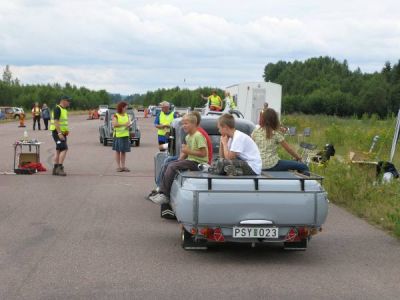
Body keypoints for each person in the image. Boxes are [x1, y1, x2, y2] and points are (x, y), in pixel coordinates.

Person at [149, 113, 209, 204]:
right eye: (183, 124)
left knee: (172, 167)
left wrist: (188, 151)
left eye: (186, 123)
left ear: (193, 124)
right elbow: (185, 152)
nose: (183, 126)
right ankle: (161, 190)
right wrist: (179, 160)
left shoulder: (198, 136)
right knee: (168, 164)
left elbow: (204, 153)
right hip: (191, 160)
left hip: (198, 163)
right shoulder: (188, 136)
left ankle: (165, 195)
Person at [252, 108, 309, 175]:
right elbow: (289, 149)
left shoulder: (256, 131)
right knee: (303, 167)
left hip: (258, 164)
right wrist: (298, 157)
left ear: (262, 119)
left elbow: (249, 146)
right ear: (275, 120)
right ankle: (303, 184)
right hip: (272, 165)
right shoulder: (275, 133)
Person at [50, 96, 72, 176]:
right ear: (63, 101)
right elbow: (56, 122)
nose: (69, 103)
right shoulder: (57, 109)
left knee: (58, 150)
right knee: (64, 148)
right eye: (68, 101)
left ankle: (55, 169)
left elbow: (63, 122)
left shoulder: (64, 110)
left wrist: (65, 131)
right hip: (57, 133)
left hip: (62, 133)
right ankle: (59, 168)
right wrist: (59, 133)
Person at [112, 101, 131, 172]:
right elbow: (114, 124)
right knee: (118, 151)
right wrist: (124, 124)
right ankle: (118, 167)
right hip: (118, 135)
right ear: (122, 107)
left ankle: (123, 166)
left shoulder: (127, 115)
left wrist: (129, 126)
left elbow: (128, 123)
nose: (126, 108)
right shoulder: (116, 115)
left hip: (125, 135)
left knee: (123, 151)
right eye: (126, 107)